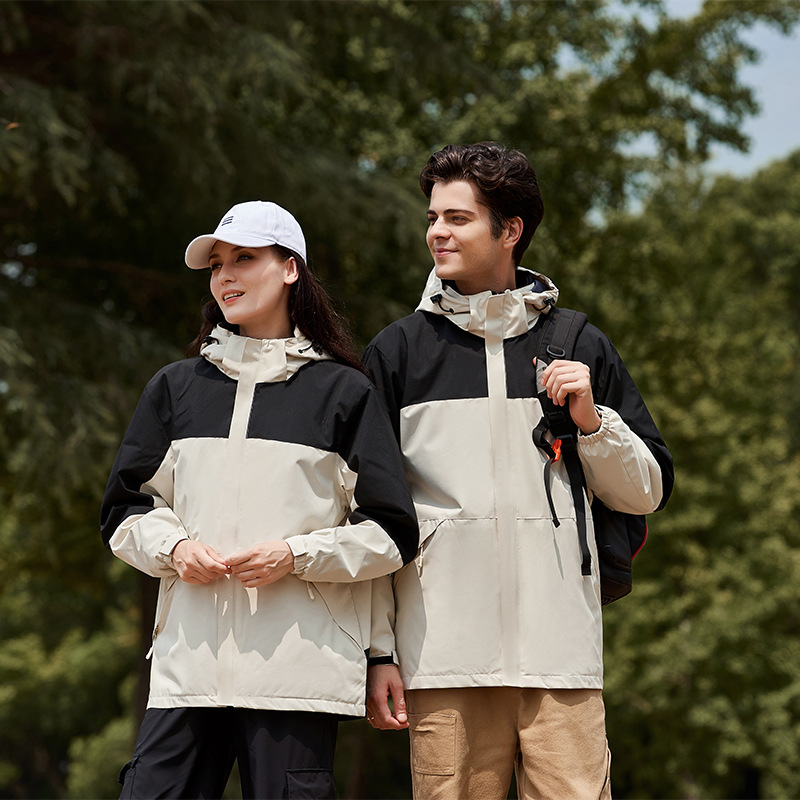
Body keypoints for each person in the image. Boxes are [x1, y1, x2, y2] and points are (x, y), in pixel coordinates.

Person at [363, 143, 674, 799]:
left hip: (561, 661)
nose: (438, 233)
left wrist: (592, 421)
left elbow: (645, 491)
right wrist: (380, 651)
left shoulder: (581, 344)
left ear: (510, 230)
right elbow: (373, 516)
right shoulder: (398, 353)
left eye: (458, 218)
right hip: (443, 661)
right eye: (433, 218)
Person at [101, 200, 418, 800]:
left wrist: (297, 557)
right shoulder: (176, 388)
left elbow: (390, 533)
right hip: (187, 674)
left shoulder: (344, 393)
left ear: (291, 269)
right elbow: (124, 510)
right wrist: (174, 548)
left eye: (244, 259)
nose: (225, 276)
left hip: (299, 676)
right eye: (216, 265)